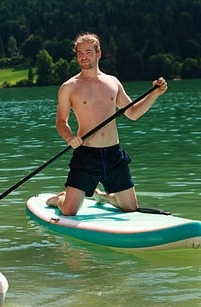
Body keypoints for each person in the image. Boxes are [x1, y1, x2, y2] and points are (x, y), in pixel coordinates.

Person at [45, 32, 168, 216]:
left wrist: (154, 94)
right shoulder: (69, 87)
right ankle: (59, 199)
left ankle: (104, 197)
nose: (83, 57)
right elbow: (61, 121)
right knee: (69, 211)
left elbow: (133, 113)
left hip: (113, 154)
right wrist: (69, 137)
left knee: (130, 208)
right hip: (86, 155)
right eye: (79, 53)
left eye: (88, 52)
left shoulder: (113, 82)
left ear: (98, 53)